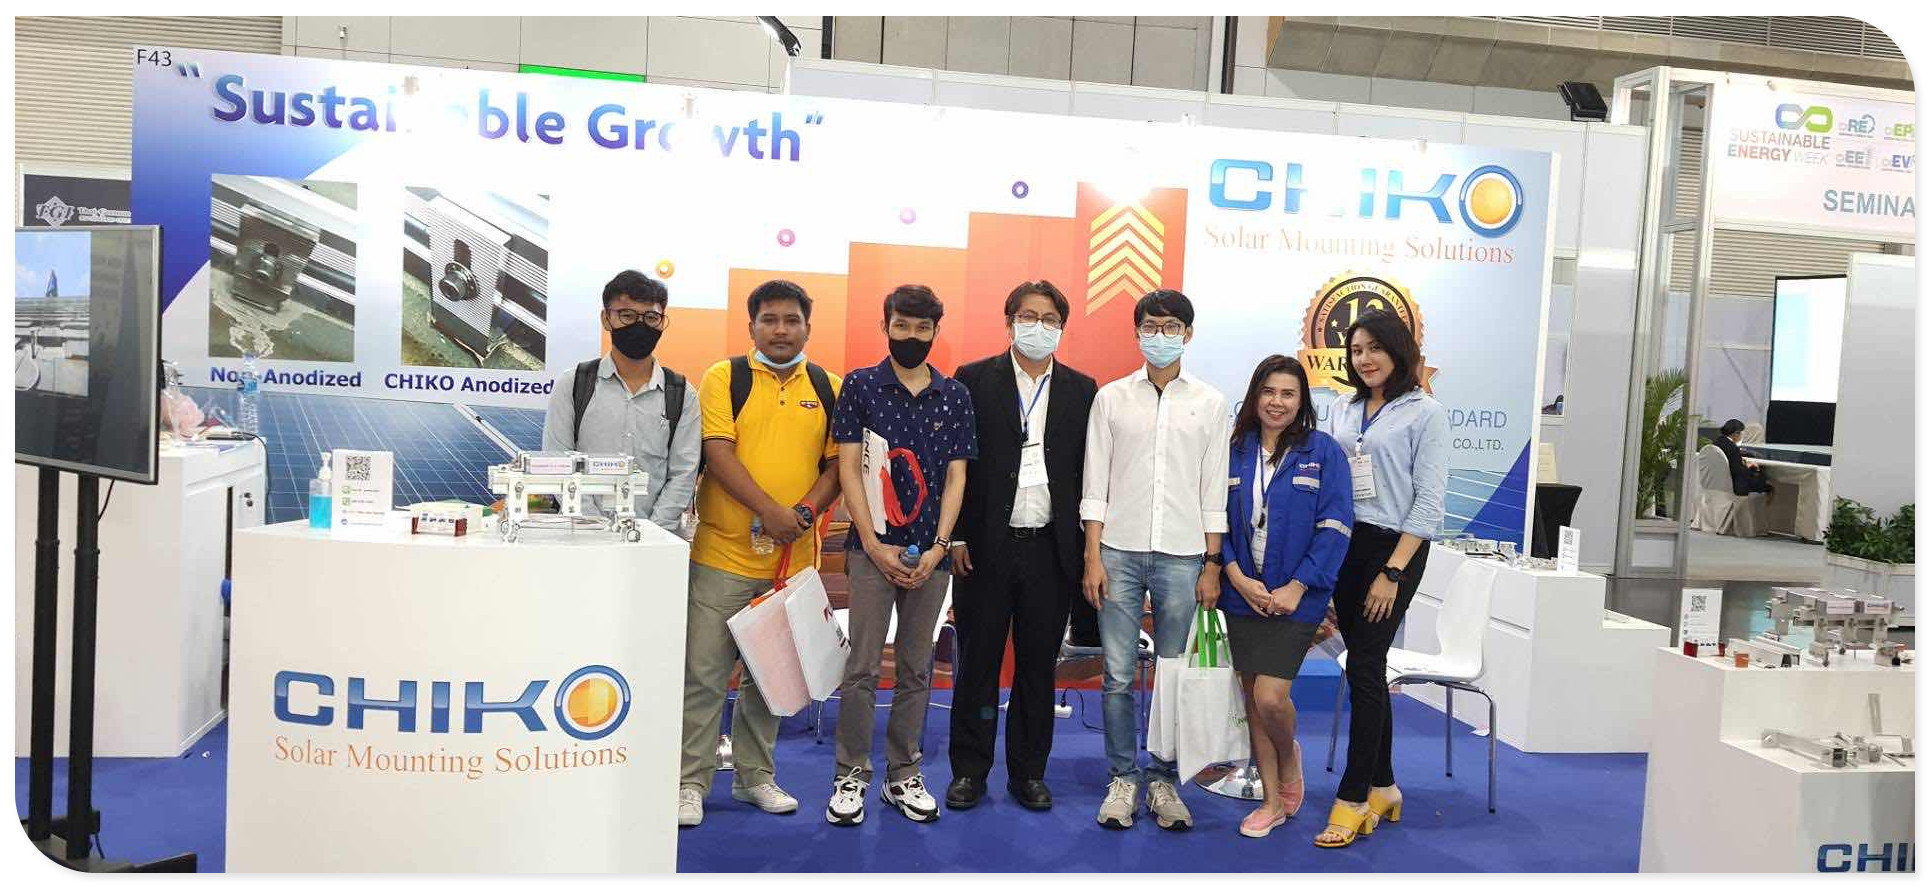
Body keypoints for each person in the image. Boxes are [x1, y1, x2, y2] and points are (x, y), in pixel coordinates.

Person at [676, 279, 843, 828]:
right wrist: (771, 511)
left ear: (807, 328)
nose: (780, 330)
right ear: (751, 326)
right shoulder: (724, 377)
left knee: (770, 680)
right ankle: (689, 783)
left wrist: (803, 513)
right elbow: (718, 452)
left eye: (791, 320)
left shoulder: (829, 386)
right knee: (703, 676)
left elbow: (836, 465)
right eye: (769, 319)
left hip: (791, 565)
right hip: (721, 557)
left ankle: (755, 778)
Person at [827, 284, 978, 826]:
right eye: (902, 325)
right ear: (885, 326)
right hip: (871, 551)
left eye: (922, 328)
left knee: (917, 668)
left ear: (935, 331)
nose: (911, 336)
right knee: (862, 668)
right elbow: (848, 468)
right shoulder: (861, 386)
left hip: (930, 558)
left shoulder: (954, 395)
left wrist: (939, 547)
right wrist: (871, 543)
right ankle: (850, 774)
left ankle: (903, 773)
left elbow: (957, 477)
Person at [1080, 288, 1231, 831]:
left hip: (1184, 555)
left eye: (1171, 327)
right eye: (1150, 326)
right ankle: (1123, 776)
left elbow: (1214, 489)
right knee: (1118, 674)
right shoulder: (1111, 398)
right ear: (1137, 332)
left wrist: (1212, 563)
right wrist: (1092, 556)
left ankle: (1164, 778)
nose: (1160, 336)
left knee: (1173, 674)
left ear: (1188, 334)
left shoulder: (1211, 403)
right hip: (1117, 552)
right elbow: (1094, 483)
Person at [945, 280, 1098, 813]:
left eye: (1050, 319)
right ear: (1009, 321)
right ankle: (969, 771)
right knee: (978, 664)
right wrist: (955, 534)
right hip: (982, 547)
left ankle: (1029, 772)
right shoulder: (972, 380)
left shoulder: (1083, 390)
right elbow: (955, 465)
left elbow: (1087, 472)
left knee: (1037, 667)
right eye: (1029, 316)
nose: (1039, 326)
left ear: (1062, 327)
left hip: (1050, 551)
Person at [1313, 309, 1449, 849]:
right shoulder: (1342, 409)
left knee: (1366, 666)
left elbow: (1429, 502)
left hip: (1394, 551)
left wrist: (1392, 571)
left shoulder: (1425, 412)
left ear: (1398, 350)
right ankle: (1385, 786)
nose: (1364, 358)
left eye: (1375, 347)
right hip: (1346, 545)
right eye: (1356, 349)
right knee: (1363, 668)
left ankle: (1352, 799)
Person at [1218, 355, 1354, 839]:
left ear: (1302, 401)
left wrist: (1298, 586)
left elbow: (1336, 526)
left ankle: (1289, 760)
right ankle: (1272, 802)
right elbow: (1216, 521)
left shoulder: (1324, 452)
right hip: (1243, 594)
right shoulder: (1234, 449)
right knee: (1252, 699)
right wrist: (1236, 577)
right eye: (1269, 392)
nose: (1277, 402)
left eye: (1288, 393)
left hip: (1299, 596)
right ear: (1255, 396)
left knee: (1270, 697)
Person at [541, 269, 700, 535]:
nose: (640, 325)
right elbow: (559, 461)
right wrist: (595, 528)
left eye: (651, 317)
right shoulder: (574, 384)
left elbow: (683, 473)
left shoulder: (682, 394)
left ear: (662, 322)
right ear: (606, 319)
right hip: (582, 537)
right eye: (627, 315)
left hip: (654, 540)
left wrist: (650, 533)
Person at [1712, 419, 1773, 495]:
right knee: (1764, 481)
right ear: (1736, 433)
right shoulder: (1733, 448)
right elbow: (1738, 472)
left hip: (1716, 484)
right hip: (1735, 487)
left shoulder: (1715, 444)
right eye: (1741, 434)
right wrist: (1749, 467)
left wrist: (1741, 463)